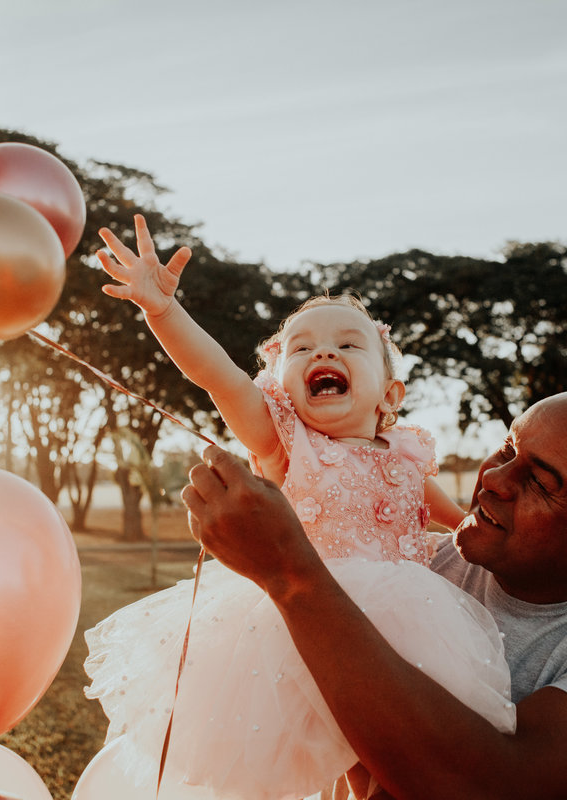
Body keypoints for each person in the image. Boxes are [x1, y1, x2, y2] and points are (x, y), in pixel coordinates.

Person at [81, 215, 516, 799]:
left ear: (389, 394)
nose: (322, 352)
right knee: (315, 753)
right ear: (281, 384)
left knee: (389, 757)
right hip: (302, 623)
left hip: (408, 627)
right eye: (301, 347)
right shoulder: (286, 444)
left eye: (347, 344)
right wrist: (164, 311)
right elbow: (219, 378)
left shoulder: (407, 453)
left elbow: (460, 524)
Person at [182, 388, 567, 800]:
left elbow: (487, 787)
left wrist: (291, 575)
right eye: (507, 449)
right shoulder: (404, 563)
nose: (494, 478)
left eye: (541, 482)